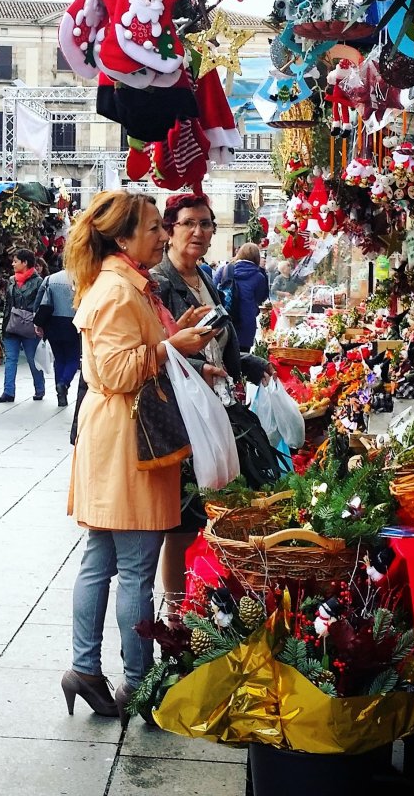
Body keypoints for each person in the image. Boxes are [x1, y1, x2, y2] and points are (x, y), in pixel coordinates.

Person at [60, 191, 214, 723]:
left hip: (117, 435)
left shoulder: (129, 284)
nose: (162, 235)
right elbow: (117, 372)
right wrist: (177, 348)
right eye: (153, 228)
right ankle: (138, 682)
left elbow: (135, 356)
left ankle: (85, 668)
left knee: (100, 558)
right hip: (128, 440)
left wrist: (177, 340)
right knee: (134, 569)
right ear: (123, 238)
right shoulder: (119, 290)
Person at [152, 193, 274, 598]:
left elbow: (215, 340)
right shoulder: (160, 282)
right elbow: (162, 349)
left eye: (206, 224)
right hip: (184, 414)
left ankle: (214, 600)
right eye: (189, 223)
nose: (198, 232)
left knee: (219, 510)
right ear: (170, 230)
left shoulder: (204, 277)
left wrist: (248, 363)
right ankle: (173, 610)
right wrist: (199, 370)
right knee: (183, 525)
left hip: (218, 404)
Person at [0, 248, 46, 402]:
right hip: (12, 324)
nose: (13, 264)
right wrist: (4, 325)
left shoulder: (39, 282)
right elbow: (7, 304)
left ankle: (39, 388)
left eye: (16, 261)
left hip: (29, 325)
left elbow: (42, 305)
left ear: (25, 263)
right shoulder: (12, 280)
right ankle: (8, 392)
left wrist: (41, 325)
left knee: (32, 359)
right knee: (10, 359)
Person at [33, 263, 80, 407]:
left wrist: (38, 323)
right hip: (73, 322)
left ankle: (60, 393)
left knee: (59, 358)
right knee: (73, 358)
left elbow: (38, 303)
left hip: (52, 322)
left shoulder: (49, 279)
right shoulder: (81, 279)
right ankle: (64, 383)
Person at [214, 242, 270, 352]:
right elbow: (260, 299)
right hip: (246, 323)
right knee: (243, 359)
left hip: (224, 321)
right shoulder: (259, 276)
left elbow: (213, 290)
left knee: (222, 358)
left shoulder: (224, 269)